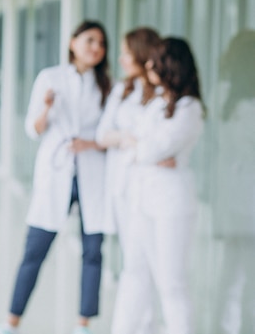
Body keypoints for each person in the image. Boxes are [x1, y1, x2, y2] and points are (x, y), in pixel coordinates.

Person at [0, 20, 111, 334]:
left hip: (92, 170)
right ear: (73, 43)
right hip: (57, 171)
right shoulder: (50, 77)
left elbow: (110, 133)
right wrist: (45, 108)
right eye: (90, 40)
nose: (96, 48)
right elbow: (34, 129)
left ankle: (83, 323)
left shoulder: (106, 85)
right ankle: (12, 321)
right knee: (35, 248)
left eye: (101, 43)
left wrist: (92, 143)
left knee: (93, 250)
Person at [110, 37, 205, 334]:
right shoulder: (157, 103)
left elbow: (147, 148)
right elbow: (137, 145)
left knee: (171, 283)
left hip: (171, 206)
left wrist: (139, 147)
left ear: (171, 65)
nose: (149, 65)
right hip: (142, 200)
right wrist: (142, 148)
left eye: (157, 60)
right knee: (134, 272)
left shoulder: (190, 108)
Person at [95, 27, 162, 333]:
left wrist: (127, 141)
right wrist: (127, 138)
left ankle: (145, 324)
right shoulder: (122, 90)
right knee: (133, 258)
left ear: (142, 53)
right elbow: (102, 135)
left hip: (150, 186)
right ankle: (140, 324)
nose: (121, 58)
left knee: (145, 260)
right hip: (121, 187)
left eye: (127, 52)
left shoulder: (161, 93)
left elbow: (160, 141)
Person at [209, 30, 255, 334]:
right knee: (249, 274)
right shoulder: (247, 99)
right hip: (247, 191)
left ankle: (221, 327)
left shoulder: (220, 94)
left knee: (230, 269)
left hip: (228, 190)